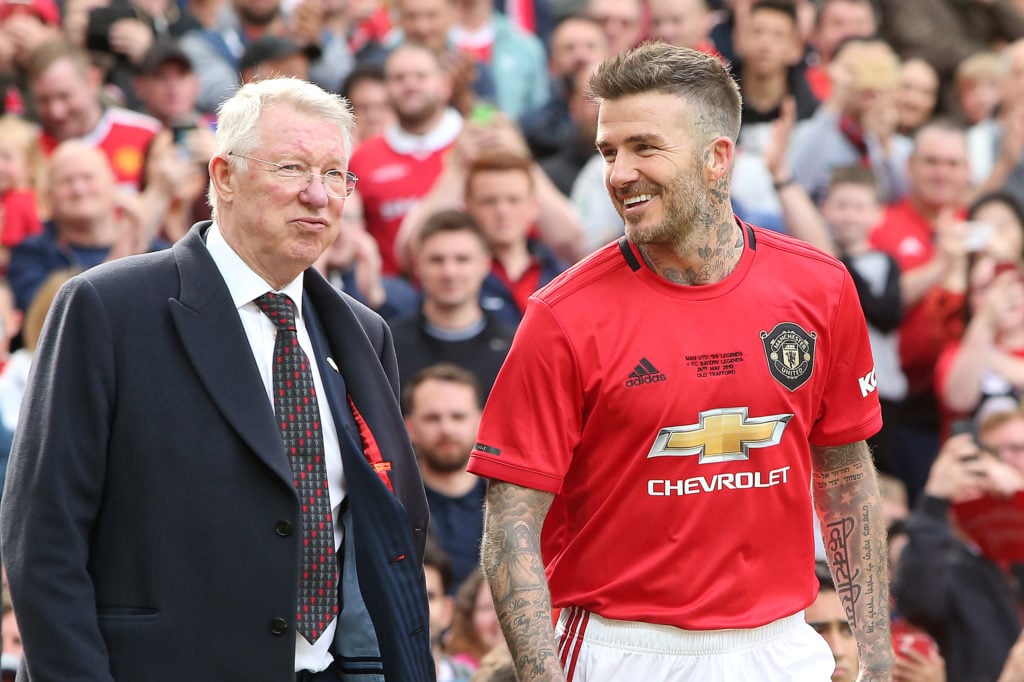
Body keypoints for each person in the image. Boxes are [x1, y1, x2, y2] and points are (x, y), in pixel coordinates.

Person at [469, 43, 892, 681]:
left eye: (644, 147)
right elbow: (510, 521)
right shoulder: (562, 315)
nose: (618, 173)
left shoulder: (820, 288)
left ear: (717, 157)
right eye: (609, 152)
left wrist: (877, 656)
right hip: (623, 648)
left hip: (782, 645)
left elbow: (845, 475)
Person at [0, 77, 433, 680]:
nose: (318, 194)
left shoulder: (363, 333)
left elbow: (380, 534)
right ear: (224, 176)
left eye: (336, 174)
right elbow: (42, 538)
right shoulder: (107, 308)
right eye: (292, 167)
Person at [893, 411, 1024, 682]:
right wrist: (935, 500)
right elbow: (918, 601)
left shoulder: (1011, 552)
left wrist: (1017, 503)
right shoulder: (940, 554)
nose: (973, 485)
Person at [390, 209, 515, 398]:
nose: (449, 272)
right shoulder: (389, 347)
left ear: (485, 264)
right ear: (418, 265)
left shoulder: (513, 350)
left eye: (462, 259)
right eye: (437, 260)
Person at [403, 363, 486, 594]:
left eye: (458, 416)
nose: (446, 428)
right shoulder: (392, 503)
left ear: (480, 421)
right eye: (432, 418)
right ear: (410, 427)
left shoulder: (510, 502)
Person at [422, 536, 475, 682]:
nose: (420, 608)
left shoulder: (476, 678)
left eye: (429, 596)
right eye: (410, 597)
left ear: (447, 611)